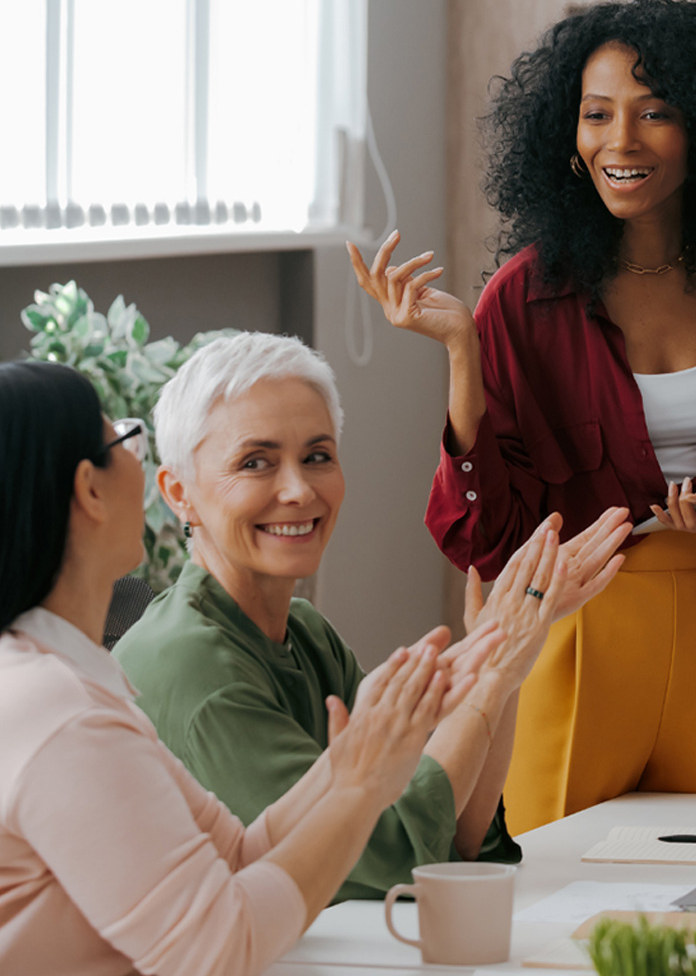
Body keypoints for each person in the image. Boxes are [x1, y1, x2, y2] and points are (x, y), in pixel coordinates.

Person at [348, 0, 696, 834]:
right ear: (568, 137)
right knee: (555, 881)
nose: (620, 141)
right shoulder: (522, 300)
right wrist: (462, 350)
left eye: (653, 114)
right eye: (597, 114)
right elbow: (487, 538)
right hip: (574, 623)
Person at [0, 358, 509, 976]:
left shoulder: (70, 682)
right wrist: (362, 785)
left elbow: (240, 854)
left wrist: (351, 763)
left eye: (318, 455)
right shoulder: (59, 712)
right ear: (90, 489)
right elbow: (221, 947)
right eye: (123, 440)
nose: (297, 490)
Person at [114, 331, 630, 897]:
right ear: (178, 492)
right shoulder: (193, 667)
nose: (298, 490)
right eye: (255, 462)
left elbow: (458, 839)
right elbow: (396, 864)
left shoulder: (304, 630)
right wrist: (495, 668)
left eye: (317, 457)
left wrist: (503, 655)